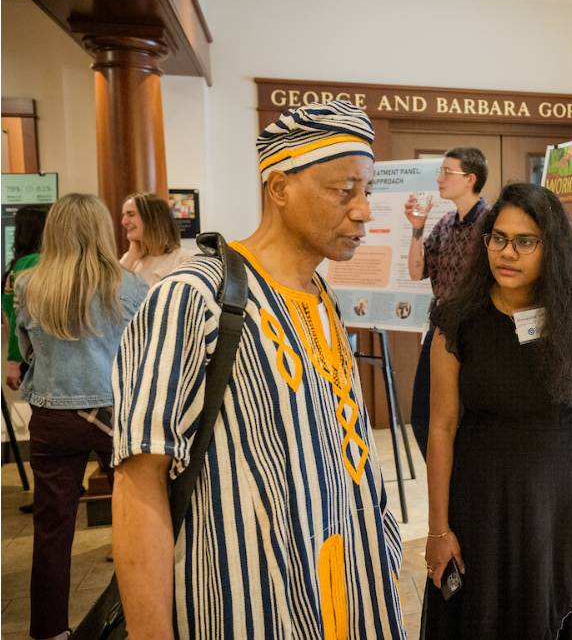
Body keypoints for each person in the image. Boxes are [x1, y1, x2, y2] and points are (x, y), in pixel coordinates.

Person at [112, 102, 406, 638]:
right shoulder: (194, 296)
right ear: (279, 188)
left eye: (367, 191)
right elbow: (140, 478)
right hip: (250, 603)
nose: (364, 211)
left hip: (349, 590)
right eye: (344, 191)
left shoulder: (322, 295)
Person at [422, 183, 572, 638]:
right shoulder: (456, 321)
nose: (508, 253)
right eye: (499, 238)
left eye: (525, 241)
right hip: (483, 504)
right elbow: (441, 427)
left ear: (552, 247)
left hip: (562, 504)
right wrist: (438, 529)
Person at [14, 193, 147, 640]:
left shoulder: (29, 284)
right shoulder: (130, 286)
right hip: (116, 416)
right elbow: (142, 354)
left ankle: (49, 631)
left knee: (52, 530)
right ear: (100, 229)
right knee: (137, 521)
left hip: (52, 417)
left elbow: (28, 352)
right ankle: (140, 620)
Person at [405, 147, 490, 457]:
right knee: (423, 416)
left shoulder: (490, 223)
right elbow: (416, 272)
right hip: (441, 327)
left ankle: (463, 478)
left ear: (470, 179)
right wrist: (417, 228)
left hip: (476, 332)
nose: (439, 179)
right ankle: (443, 475)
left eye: (446, 172)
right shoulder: (445, 223)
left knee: (465, 418)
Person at [3, 205, 48, 390]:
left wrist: (13, 361)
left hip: (27, 354)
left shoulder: (20, 265)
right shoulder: (37, 263)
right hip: (43, 355)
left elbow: (12, 316)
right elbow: (16, 316)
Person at [119, 192, 193, 286]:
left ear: (154, 219)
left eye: (131, 214)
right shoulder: (131, 258)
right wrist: (130, 257)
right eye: (124, 215)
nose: (124, 222)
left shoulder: (184, 260)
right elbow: (109, 290)